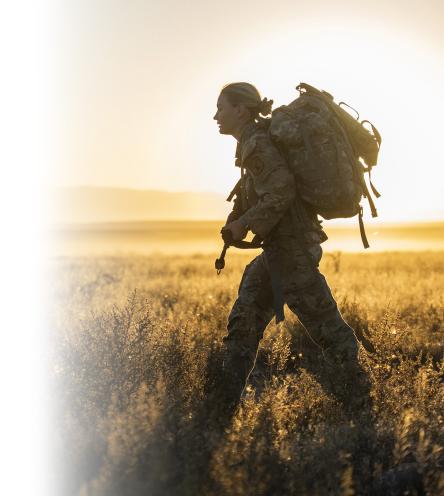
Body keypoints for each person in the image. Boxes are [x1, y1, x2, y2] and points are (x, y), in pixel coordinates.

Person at [213, 82, 361, 409]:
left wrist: (244, 223)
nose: (216, 116)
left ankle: (362, 400)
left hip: (292, 251)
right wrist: (238, 215)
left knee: (328, 330)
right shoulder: (252, 142)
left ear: (241, 109)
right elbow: (258, 191)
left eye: (221, 107)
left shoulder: (256, 143)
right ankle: (221, 403)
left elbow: (281, 192)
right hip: (280, 251)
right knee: (245, 318)